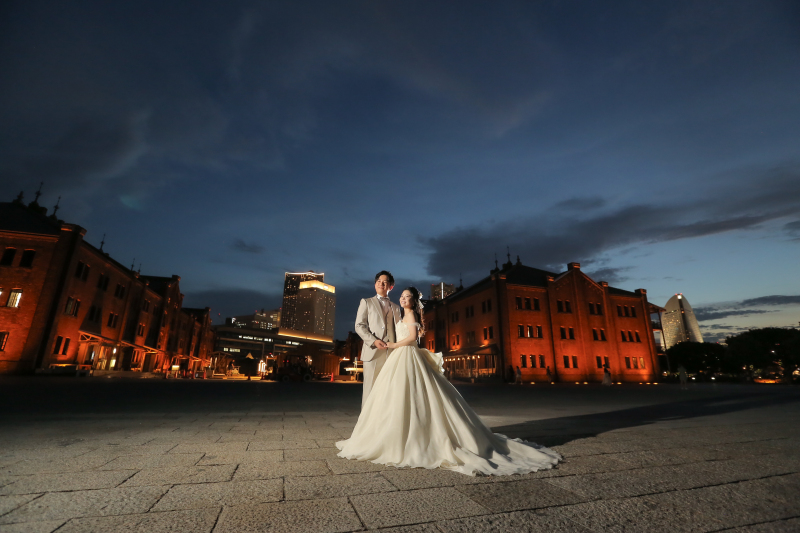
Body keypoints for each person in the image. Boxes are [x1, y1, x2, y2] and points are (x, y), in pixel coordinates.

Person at [337, 286, 561, 476]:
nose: (403, 299)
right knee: (396, 395)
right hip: (399, 357)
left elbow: (413, 338)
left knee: (416, 393)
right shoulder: (399, 314)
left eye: (407, 296)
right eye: (402, 296)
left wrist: (394, 345)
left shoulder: (410, 315)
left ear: (414, 301)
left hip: (406, 355)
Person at [354, 271, 402, 408]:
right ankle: (366, 426)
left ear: (390, 287)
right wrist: (374, 341)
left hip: (392, 354)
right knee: (370, 390)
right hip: (373, 353)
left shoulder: (397, 308)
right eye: (379, 281)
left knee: (389, 390)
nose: (381, 283)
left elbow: (399, 330)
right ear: (375, 284)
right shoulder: (366, 302)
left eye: (385, 281)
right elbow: (359, 326)